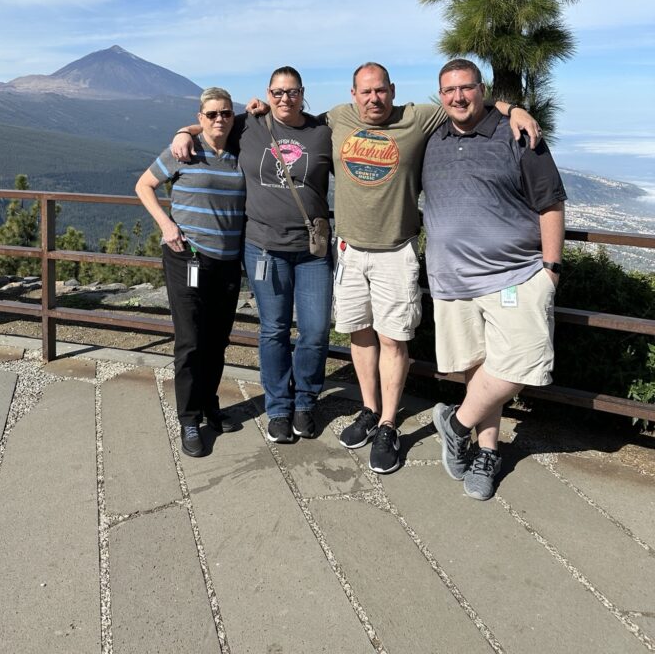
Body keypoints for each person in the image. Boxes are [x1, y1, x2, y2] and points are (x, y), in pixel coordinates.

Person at [248, 62, 541, 474]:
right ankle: (369, 410)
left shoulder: (418, 117)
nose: (374, 99)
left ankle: (388, 424)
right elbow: (289, 118)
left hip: (395, 251)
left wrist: (515, 110)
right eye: (366, 92)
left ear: (392, 90)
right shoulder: (335, 119)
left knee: (392, 340)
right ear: (353, 95)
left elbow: (467, 100)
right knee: (360, 334)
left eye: (381, 91)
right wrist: (251, 111)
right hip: (349, 250)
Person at [423, 59, 565, 499]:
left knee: (522, 361)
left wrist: (551, 272)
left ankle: (455, 422)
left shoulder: (517, 134)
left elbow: (551, 202)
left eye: (467, 88)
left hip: (515, 276)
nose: (458, 97)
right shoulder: (431, 139)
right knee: (476, 370)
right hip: (452, 279)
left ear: (481, 91)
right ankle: (486, 452)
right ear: (440, 95)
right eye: (449, 90)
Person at [171, 67, 334, 445]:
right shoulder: (251, 124)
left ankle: (305, 402)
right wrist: (184, 131)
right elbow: (213, 121)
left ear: (303, 93)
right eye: (278, 92)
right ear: (268, 93)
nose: (284, 98)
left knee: (314, 331)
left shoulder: (322, 131)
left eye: (291, 92)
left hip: (312, 250)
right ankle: (278, 408)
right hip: (262, 247)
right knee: (274, 329)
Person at [135, 87, 246, 458]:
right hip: (188, 258)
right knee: (190, 340)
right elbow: (144, 185)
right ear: (200, 118)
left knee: (217, 339)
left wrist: (190, 128)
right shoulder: (184, 152)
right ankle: (188, 418)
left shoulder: (239, 149)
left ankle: (210, 404)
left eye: (226, 113)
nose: (219, 120)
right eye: (211, 114)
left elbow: (255, 118)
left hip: (228, 261)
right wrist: (166, 225)